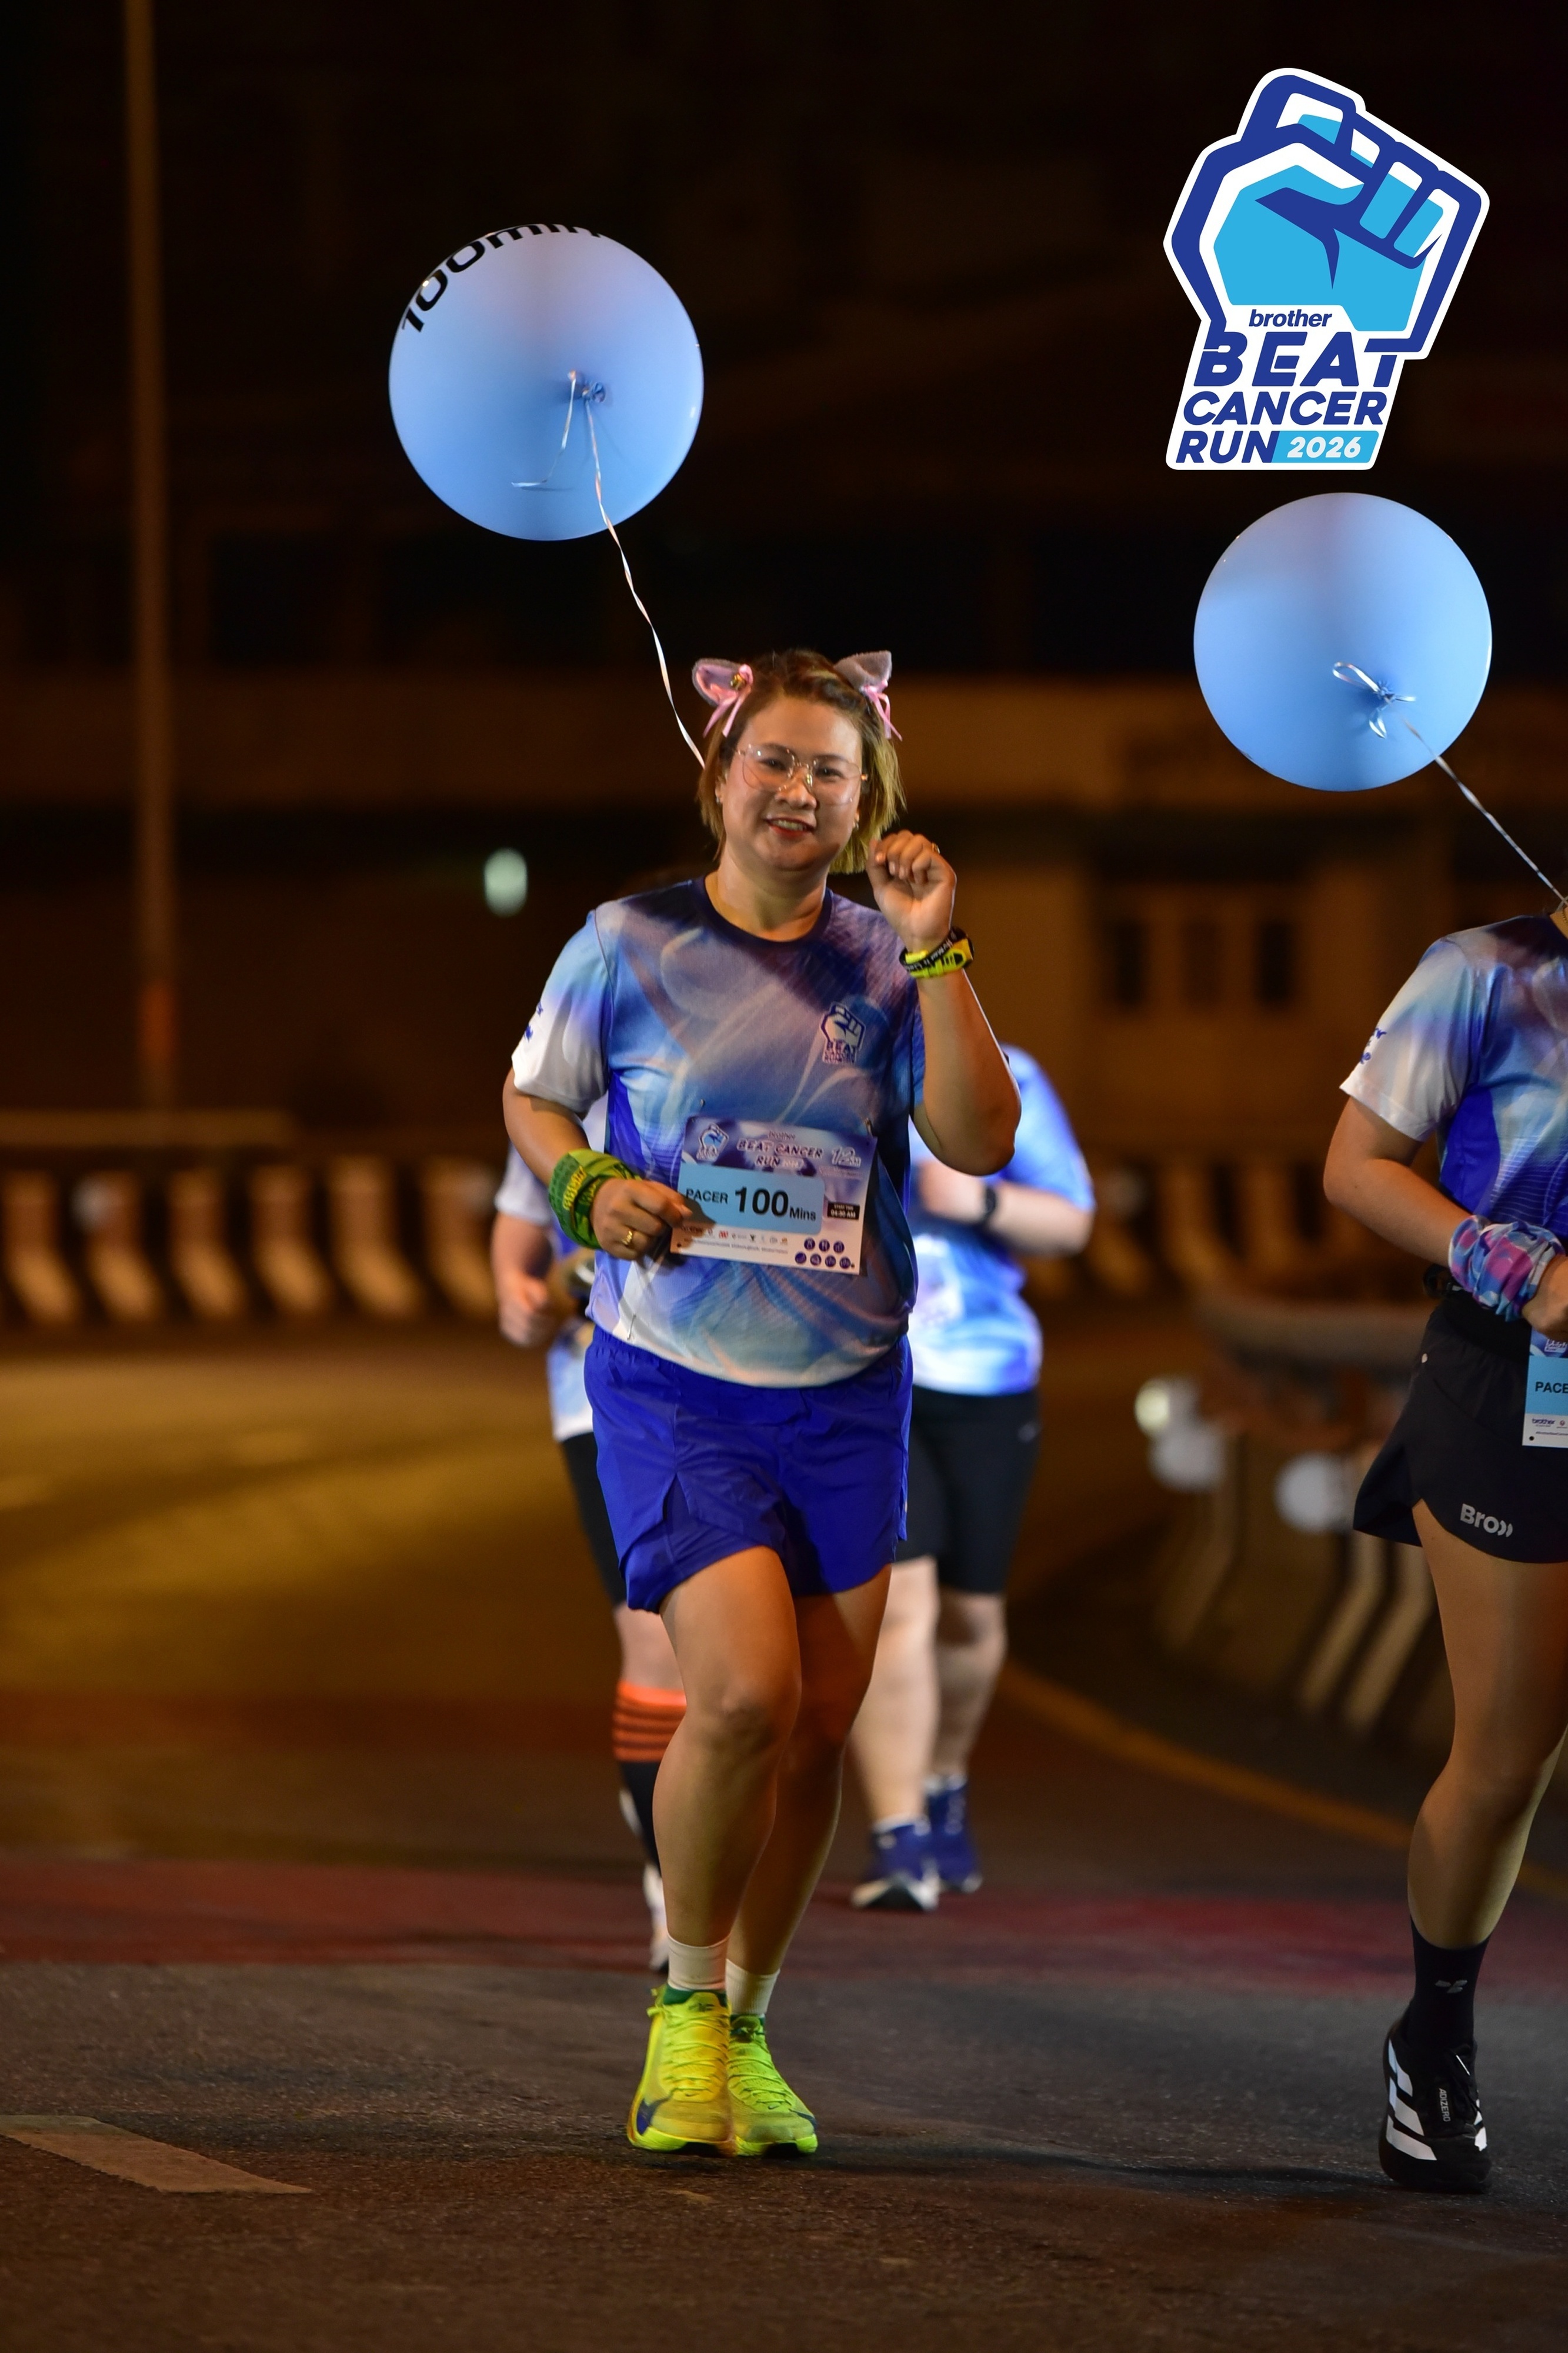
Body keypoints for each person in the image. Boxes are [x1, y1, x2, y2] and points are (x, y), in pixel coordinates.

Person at [503, 647, 1019, 2158]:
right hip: (674, 1380)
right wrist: (587, 1188)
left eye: (829, 772)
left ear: (867, 805)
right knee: (741, 1697)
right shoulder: (626, 941)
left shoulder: (888, 957)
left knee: (817, 1732)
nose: (797, 790)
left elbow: (978, 1141)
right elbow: (534, 1096)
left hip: (848, 1390)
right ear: (720, 777)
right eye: (773, 760)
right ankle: (677, 2010)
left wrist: (938, 950)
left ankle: (745, 2028)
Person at [1324, 905, 1568, 2195]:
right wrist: (1512, 1262)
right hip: (1512, 1380)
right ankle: (1435, 2034)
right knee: (1510, 1754)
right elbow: (1356, 1166)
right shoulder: (1481, 973)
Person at [848, 1048, 1094, 1909]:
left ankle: (942, 1779)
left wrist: (980, 1200)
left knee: (970, 1615)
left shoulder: (1007, 1073)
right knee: (900, 1603)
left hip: (987, 1378)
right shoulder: (827, 1058)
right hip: (867, 1374)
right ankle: (898, 1835)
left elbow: (1071, 1222)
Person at [490, 1119, 686, 1973]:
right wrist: (523, 1293)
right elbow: (518, 1247)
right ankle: (673, 1890)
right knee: (658, 1643)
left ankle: (712, 1836)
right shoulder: (560, 1093)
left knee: (752, 1667)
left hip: (754, 1390)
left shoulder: (765, 1074)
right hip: (602, 1403)